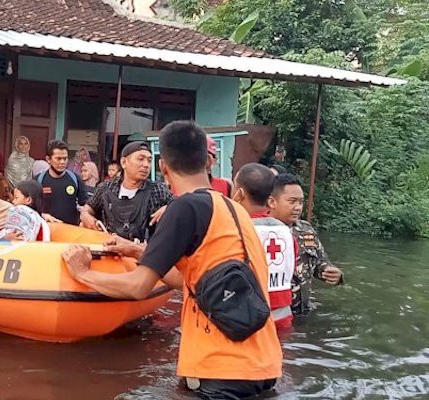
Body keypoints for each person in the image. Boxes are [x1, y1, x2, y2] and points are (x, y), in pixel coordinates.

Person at [62, 121, 281, 399]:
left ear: (163, 166)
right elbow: (191, 281)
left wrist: (82, 273)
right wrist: (138, 250)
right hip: (264, 365)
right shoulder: (232, 208)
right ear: (207, 161)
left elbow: (137, 286)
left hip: (219, 369)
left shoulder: (185, 206)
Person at [268, 173, 344, 316]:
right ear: (272, 202)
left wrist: (332, 272)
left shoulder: (306, 230)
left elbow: (320, 262)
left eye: (301, 202)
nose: (297, 207)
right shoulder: (261, 231)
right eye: (292, 201)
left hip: (304, 311)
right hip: (274, 314)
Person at [233, 163, 297, 330]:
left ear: (239, 194)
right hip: (283, 317)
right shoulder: (287, 232)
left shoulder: (239, 230)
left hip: (252, 318)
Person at [80, 142, 173, 242]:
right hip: (108, 251)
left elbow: (183, 205)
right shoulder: (106, 188)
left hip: (144, 254)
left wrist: (170, 208)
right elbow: (87, 209)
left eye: (149, 160)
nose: (146, 165)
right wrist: (85, 216)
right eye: (140, 159)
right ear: (124, 162)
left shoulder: (158, 190)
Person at [36, 140, 88, 225]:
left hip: (70, 232)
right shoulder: (38, 180)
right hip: (47, 232)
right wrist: (43, 215)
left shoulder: (75, 179)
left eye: (65, 158)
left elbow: (85, 205)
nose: (62, 162)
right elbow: (30, 208)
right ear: (48, 159)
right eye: (58, 159)